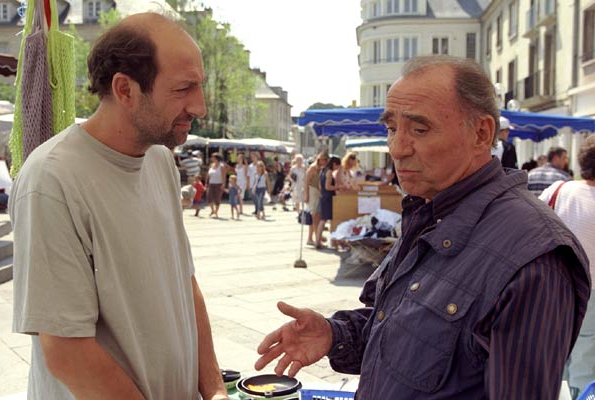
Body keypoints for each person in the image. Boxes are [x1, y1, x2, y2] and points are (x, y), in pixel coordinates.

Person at [254, 55, 590, 399]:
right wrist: (333, 335)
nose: (397, 148)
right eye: (391, 128)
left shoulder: (534, 257)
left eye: (419, 129)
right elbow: (400, 334)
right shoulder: (430, 209)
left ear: (481, 133)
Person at [9, 13, 227, 400]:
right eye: (183, 89)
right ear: (125, 89)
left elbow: (185, 286)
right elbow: (66, 352)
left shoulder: (159, 160)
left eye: (200, 86)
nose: (200, 106)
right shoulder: (52, 181)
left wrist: (215, 391)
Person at [539, 135, 595, 399]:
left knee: (552, 349)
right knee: (584, 357)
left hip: (551, 285)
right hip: (590, 291)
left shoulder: (559, 189)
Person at [316, 156, 341, 249]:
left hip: (323, 196)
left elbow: (320, 186)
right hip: (328, 197)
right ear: (334, 164)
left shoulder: (323, 170)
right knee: (325, 220)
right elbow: (328, 186)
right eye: (337, 166)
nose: (337, 168)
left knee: (323, 219)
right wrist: (338, 187)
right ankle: (321, 242)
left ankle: (318, 241)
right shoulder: (329, 172)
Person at [304, 151, 328, 246]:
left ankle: (311, 237)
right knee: (315, 216)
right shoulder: (312, 168)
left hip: (319, 192)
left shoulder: (323, 168)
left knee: (317, 216)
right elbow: (306, 182)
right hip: (313, 191)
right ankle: (317, 238)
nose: (324, 162)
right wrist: (307, 195)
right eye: (323, 160)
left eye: (325, 160)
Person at [206, 152, 226, 218]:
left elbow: (223, 176)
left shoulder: (221, 166)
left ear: (217, 159)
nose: (212, 159)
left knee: (217, 198)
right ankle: (212, 210)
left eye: (213, 158)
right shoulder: (211, 165)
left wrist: (223, 184)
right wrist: (207, 182)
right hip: (211, 183)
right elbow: (208, 174)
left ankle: (216, 211)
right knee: (209, 197)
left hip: (218, 183)